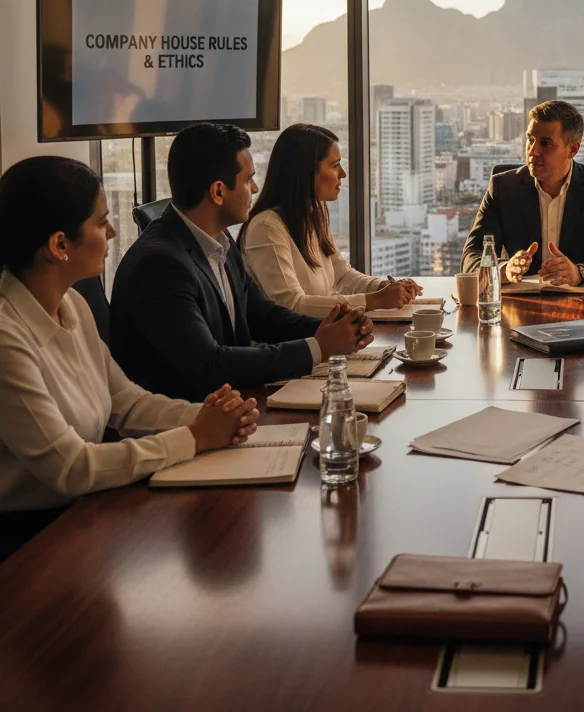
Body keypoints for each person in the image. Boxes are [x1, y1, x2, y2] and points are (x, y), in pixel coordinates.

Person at [0, 156, 259, 560]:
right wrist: (196, 436)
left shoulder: (72, 304)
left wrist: (209, 417)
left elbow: (126, 402)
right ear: (59, 245)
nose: (113, 231)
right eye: (102, 222)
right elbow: (72, 467)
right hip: (27, 544)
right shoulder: (6, 339)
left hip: (83, 515)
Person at [110, 123, 373, 403]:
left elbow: (262, 316)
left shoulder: (219, 239)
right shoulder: (159, 266)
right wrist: (317, 347)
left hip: (231, 404)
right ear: (218, 192)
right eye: (249, 180)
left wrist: (333, 327)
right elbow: (209, 365)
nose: (255, 188)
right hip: (188, 417)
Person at [239, 123, 421, 315]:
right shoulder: (266, 227)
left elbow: (341, 276)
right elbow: (291, 305)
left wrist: (383, 287)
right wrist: (375, 300)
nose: (343, 174)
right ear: (307, 172)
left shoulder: (314, 213)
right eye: (335, 166)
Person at [461, 100, 584, 286]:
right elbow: (471, 256)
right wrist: (503, 269)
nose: (533, 151)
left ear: (573, 149)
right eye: (530, 140)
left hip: (583, 301)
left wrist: (580, 273)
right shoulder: (503, 187)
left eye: (545, 143)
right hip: (520, 300)